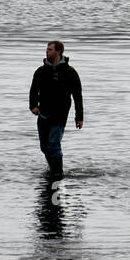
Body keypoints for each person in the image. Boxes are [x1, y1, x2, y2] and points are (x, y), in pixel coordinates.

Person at [28, 40, 84, 178]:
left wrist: (79, 117)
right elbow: (33, 91)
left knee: (53, 144)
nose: (47, 51)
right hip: (43, 113)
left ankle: (58, 173)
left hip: (60, 114)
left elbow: (77, 95)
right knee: (44, 146)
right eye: (47, 49)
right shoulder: (40, 71)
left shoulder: (70, 72)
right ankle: (52, 168)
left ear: (58, 51)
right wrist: (33, 106)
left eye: (50, 49)